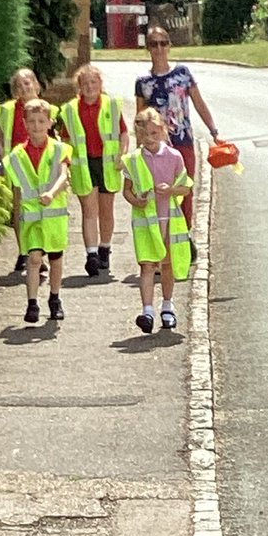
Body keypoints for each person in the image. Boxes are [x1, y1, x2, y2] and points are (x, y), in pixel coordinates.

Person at [134, 26, 220, 247]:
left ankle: (185, 235)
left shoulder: (182, 73)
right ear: (148, 49)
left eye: (163, 43)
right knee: (160, 191)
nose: (159, 48)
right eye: (154, 44)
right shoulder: (143, 82)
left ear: (169, 46)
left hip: (183, 140)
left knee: (185, 188)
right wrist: (138, 149)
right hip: (156, 146)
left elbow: (198, 102)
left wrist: (213, 130)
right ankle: (163, 238)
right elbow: (140, 117)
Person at [121, 108, 193, 334]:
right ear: (138, 136)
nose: (150, 139)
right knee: (147, 265)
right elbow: (127, 191)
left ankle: (168, 306)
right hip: (145, 223)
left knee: (167, 264)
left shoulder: (173, 156)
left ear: (162, 131)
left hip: (169, 219)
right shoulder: (132, 160)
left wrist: (171, 190)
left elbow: (186, 186)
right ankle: (147, 311)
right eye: (145, 135)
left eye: (154, 133)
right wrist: (136, 201)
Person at [3, 98, 71, 323]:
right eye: (31, 121)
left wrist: (52, 193)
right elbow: (16, 187)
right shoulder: (17, 155)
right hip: (31, 217)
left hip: (54, 216)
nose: (36, 126)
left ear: (50, 123)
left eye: (41, 121)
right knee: (33, 259)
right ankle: (32, 304)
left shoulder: (59, 149)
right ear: (24, 123)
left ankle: (55, 298)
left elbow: (64, 175)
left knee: (55, 260)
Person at [59, 64, 129, 276]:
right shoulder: (70, 109)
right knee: (89, 211)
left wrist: (122, 155)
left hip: (107, 164)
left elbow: (123, 134)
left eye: (93, 82)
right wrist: (66, 162)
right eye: (85, 83)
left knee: (106, 211)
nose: (89, 87)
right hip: (84, 164)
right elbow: (65, 138)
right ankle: (91, 255)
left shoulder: (111, 105)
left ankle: (104, 248)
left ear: (100, 84)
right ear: (79, 86)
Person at [0, 68, 58, 273]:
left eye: (27, 83)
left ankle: (40, 251)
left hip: (43, 162)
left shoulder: (51, 110)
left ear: (37, 85)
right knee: (20, 209)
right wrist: (1, 153)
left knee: (42, 209)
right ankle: (24, 251)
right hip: (19, 164)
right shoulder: (7, 110)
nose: (24, 88)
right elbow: (2, 136)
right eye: (19, 85)